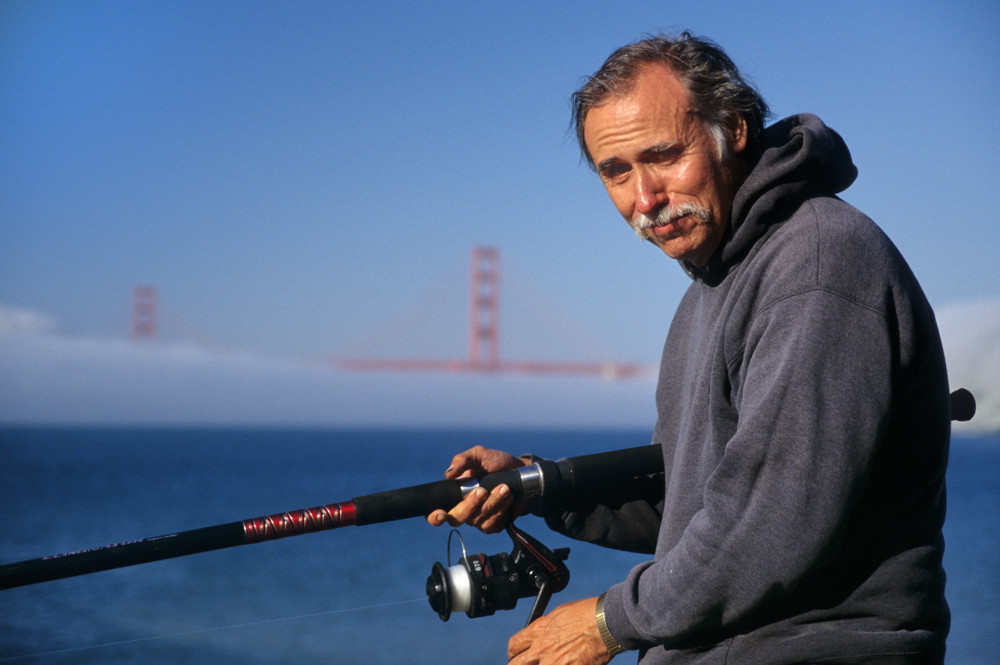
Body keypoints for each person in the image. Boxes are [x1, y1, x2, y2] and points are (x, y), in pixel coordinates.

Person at [427, 32, 951, 665]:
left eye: (663, 155)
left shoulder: (818, 266)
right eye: (616, 172)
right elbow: (694, 499)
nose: (644, 198)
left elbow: (770, 521)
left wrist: (605, 622)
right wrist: (538, 489)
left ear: (732, 130)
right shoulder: (712, 286)